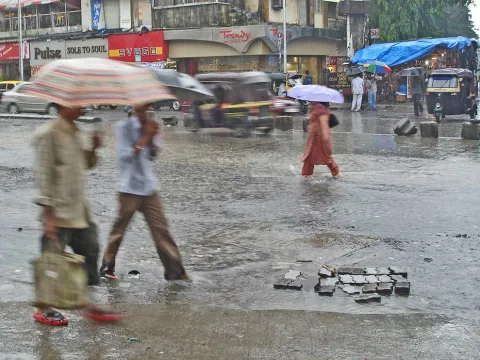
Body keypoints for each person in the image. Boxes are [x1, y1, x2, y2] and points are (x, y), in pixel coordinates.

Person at [32, 105, 126, 326]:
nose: (82, 108)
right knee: (52, 261)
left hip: (79, 211)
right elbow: (44, 175)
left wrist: (93, 149)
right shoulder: (49, 134)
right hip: (57, 212)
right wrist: (48, 217)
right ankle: (44, 309)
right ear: (63, 106)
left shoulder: (75, 132)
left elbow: (86, 164)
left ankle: (88, 305)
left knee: (90, 254)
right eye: (78, 104)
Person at [100, 103, 190, 282]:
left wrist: (153, 138)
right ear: (134, 110)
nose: (144, 113)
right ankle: (107, 267)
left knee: (161, 229)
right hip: (129, 188)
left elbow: (152, 156)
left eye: (146, 110)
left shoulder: (152, 127)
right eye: (140, 110)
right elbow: (125, 156)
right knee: (119, 229)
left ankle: (175, 272)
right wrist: (144, 138)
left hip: (148, 188)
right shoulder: (124, 128)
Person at [301, 102, 342, 179]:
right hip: (314, 136)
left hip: (319, 137)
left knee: (326, 157)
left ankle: (336, 173)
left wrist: (325, 135)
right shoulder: (317, 107)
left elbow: (323, 121)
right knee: (309, 156)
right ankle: (308, 175)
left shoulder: (319, 108)